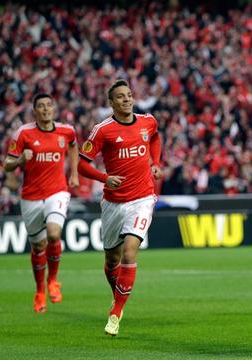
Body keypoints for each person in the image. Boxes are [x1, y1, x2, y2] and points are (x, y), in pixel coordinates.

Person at [77, 79, 162, 336]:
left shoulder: (148, 121)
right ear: (111, 103)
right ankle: (118, 295)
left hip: (143, 198)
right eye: (121, 97)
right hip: (113, 202)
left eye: (129, 95)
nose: (126, 100)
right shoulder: (103, 130)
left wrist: (155, 162)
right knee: (112, 260)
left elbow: (155, 139)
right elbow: (82, 164)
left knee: (129, 252)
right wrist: (105, 178)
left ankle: (115, 313)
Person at [4, 93, 79, 313]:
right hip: (30, 196)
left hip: (57, 192)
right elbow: (7, 163)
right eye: (41, 106)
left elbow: (74, 145)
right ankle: (39, 291)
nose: (45, 109)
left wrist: (74, 173)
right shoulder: (23, 133)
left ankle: (53, 280)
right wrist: (20, 160)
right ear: (34, 111)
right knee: (38, 246)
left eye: (49, 105)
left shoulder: (66, 130)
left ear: (54, 108)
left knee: (53, 234)